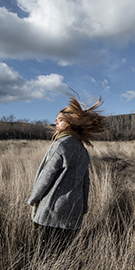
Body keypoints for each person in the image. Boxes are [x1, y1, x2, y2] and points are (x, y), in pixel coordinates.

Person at [27, 92, 105, 255]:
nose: (56, 121)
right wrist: (84, 204)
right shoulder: (83, 150)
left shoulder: (60, 145)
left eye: (60, 119)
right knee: (65, 253)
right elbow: (86, 181)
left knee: (46, 253)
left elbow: (46, 176)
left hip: (54, 208)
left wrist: (34, 198)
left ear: (71, 123)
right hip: (74, 209)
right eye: (56, 119)